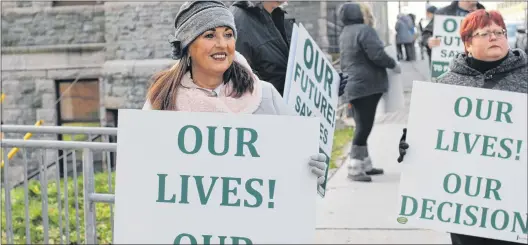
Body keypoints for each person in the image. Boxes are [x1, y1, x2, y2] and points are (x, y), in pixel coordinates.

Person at [142, 1, 328, 187]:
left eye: (228, 35)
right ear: (187, 47)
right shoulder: (162, 99)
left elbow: (299, 155)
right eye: (209, 35)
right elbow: (145, 172)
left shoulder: (263, 95)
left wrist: (313, 169)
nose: (222, 44)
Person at [398, 9, 527, 245]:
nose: (494, 37)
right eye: (485, 33)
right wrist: (410, 145)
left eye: (499, 32)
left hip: (514, 202)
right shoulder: (446, 83)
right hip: (465, 205)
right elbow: (429, 136)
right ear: (467, 43)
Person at [338, 2, 402, 182]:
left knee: (362, 125)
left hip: (354, 85)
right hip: (367, 85)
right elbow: (377, 54)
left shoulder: (346, 32)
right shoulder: (365, 31)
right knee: (364, 127)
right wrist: (393, 65)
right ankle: (355, 167)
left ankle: (365, 164)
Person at [229, 1, 348, 96]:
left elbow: (295, 71)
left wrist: (325, 86)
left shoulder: (279, 17)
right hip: (264, 118)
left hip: (288, 116)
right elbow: (235, 83)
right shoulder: (239, 19)